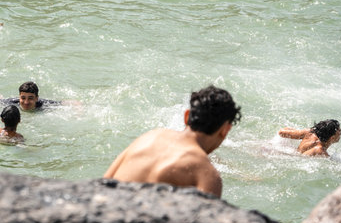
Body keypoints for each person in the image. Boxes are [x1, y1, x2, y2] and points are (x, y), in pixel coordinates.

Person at [103, 85, 242, 198]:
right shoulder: (206, 174)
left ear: (186, 116)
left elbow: (104, 182)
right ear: (225, 130)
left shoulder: (148, 137)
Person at [0, 81, 65, 111]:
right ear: (19, 97)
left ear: (37, 98)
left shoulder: (43, 104)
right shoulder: (13, 103)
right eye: (23, 98)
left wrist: (78, 109)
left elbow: (67, 103)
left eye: (30, 98)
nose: (26, 102)